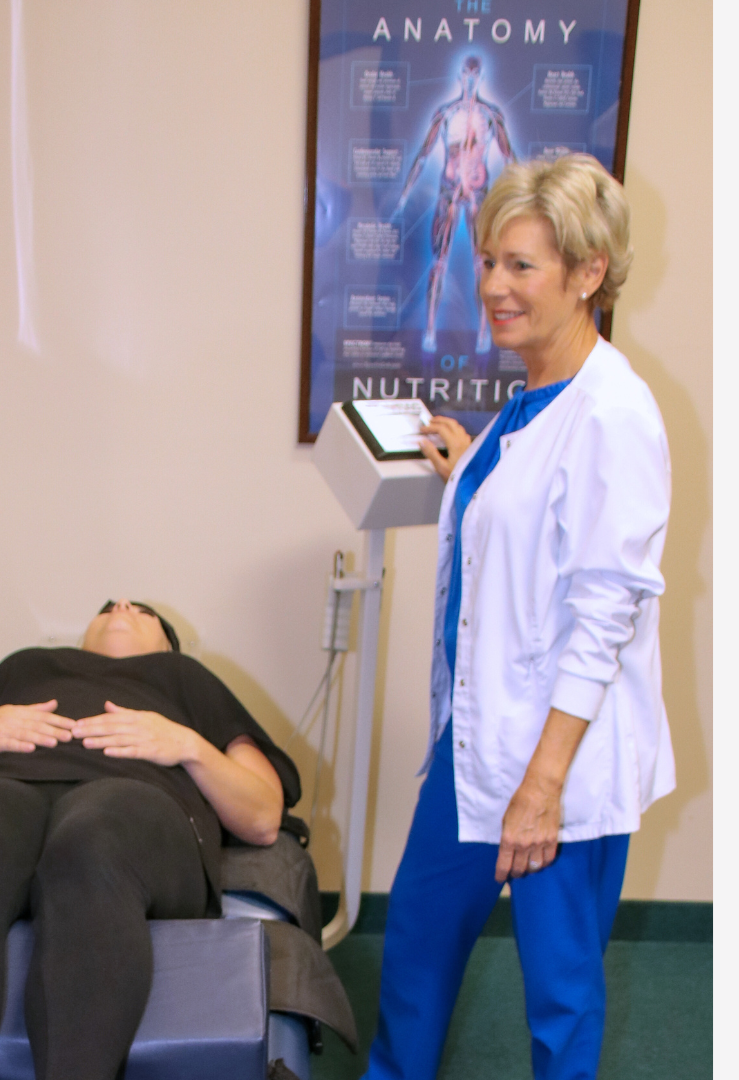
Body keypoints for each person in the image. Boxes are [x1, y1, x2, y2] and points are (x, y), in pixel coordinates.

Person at [363, 154, 674, 1080]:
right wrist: (468, 466)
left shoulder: (617, 413)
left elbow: (602, 612)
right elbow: (528, 512)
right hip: (472, 749)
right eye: (489, 260)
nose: (493, 285)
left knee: (559, 1003)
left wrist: (541, 790)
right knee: (413, 961)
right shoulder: (527, 400)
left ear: (588, 274)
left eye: (522, 266)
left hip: (556, 770)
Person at [0, 599, 300, 1080]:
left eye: (142, 611)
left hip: (137, 800)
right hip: (4, 790)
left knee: (90, 845)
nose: (121, 605)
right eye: (108, 606)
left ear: (168, 645)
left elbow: (264, 815)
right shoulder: (24, 666)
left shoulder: (186, 677)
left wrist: (189, 745)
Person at [391, 56, 515, 354]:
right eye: (466, 73)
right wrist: (404, 195)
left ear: (480, 77)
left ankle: (484, 335)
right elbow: (423, 155)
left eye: (475, 74)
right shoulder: (446, 113)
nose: (471, 79)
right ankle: (430, 332)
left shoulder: (491, 115)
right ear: (460, 77)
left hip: (478, 190)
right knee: (439, 264)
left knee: (482, 266)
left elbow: (510, 158)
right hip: (448, 189)